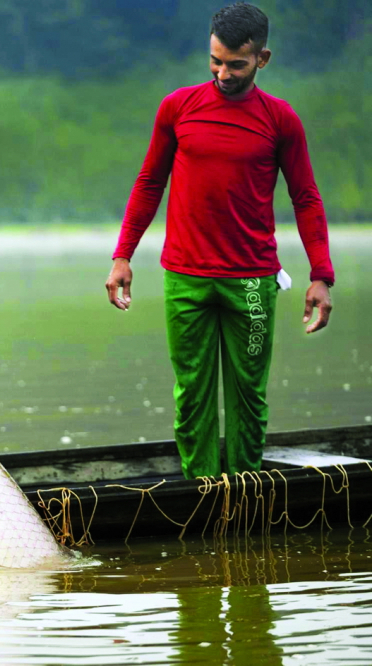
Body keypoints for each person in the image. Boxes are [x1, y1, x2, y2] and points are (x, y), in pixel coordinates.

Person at [104, 2, 335, 480]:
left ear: (262, 59)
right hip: (185, 278)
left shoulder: (280, 120)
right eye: (215, 60)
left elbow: (306, 197)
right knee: (191, 393)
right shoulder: (179, 107)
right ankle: (203, 491)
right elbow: (150, 182)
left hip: (251, 282)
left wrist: (320, 276)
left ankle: (247, 493)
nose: (223, 73)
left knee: (249, 395)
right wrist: (122, 255)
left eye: (236, 64)